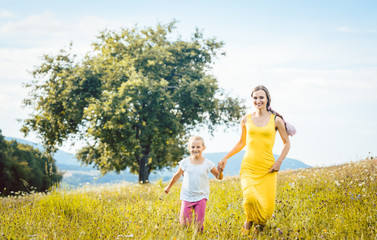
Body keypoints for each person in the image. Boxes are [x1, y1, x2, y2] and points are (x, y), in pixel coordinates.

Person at [217, 85, 295, 234]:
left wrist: (279, 162)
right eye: (255, 97)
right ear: (252, 99)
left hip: (268, 168)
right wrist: (226, 157)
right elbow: (241, 143)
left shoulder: (276, 120)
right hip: (249, 167)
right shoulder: (246, 119)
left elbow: (287, 143)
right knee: (250, 198)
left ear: (267, 100)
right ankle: (248, 223)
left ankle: (259, 231)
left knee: (265, 205)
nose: (258, 100)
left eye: (261, 97)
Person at [164, 136, 223, 231]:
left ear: (203, 148)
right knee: (184, 224)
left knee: (199, 224)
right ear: (189, 148)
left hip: (201, 197)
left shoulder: (208, 163)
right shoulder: (184, 163)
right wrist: (168, 187)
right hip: (187, 197)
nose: (195, 149)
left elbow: (218, 177)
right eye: (193, 147)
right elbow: (177, 175)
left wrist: (220, 172)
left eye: (198, 147)